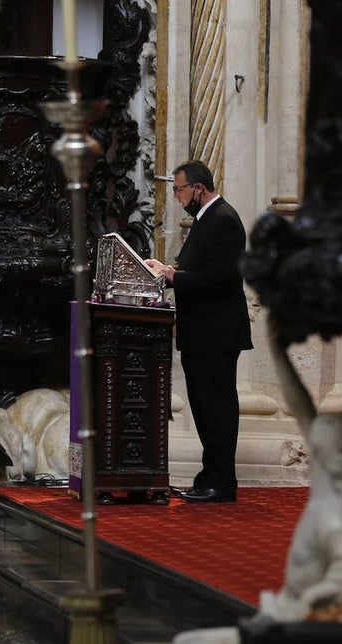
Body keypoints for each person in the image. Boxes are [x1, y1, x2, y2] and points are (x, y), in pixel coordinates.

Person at [145, 160, 252, 503]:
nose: (177, 197)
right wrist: (168, 270)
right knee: (205, 408)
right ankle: (210, 476)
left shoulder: (223, 220)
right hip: (202, 332)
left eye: (179, 190)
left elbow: (221, 278)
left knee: (217, 409)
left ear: (198, 188)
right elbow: (200, 269)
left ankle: (221, 482)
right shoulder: (207, 219)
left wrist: (174, 276)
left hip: (216, 333)